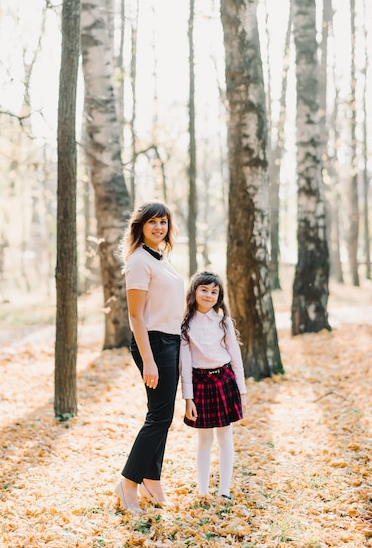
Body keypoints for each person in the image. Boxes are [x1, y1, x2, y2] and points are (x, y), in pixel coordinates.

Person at [115, 201, 185, 513]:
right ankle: (128, 483)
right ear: (141, 226)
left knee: (163, 416)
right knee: (158, 417)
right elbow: (135, 316)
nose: (159, 227)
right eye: (152, 222)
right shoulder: (139, 261)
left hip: (170, 342)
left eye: (163, 222)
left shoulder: (162, 258)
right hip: (153, 344)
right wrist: (150, 360)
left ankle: (151, 480)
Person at [179, 270, 247, 499]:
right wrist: (188, 398)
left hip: (225, 381)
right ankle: (203, 491)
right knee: (204, 440)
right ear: (194, 291)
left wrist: (242, 391)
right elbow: (185, 365)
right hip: (201, 385)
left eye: (214, 292)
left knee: (225, 437)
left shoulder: (224, 322)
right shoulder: (186, 325)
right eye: (204, 290)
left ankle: (224, 491)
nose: (208, 295)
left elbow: (235, 357)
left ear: (219, 296)